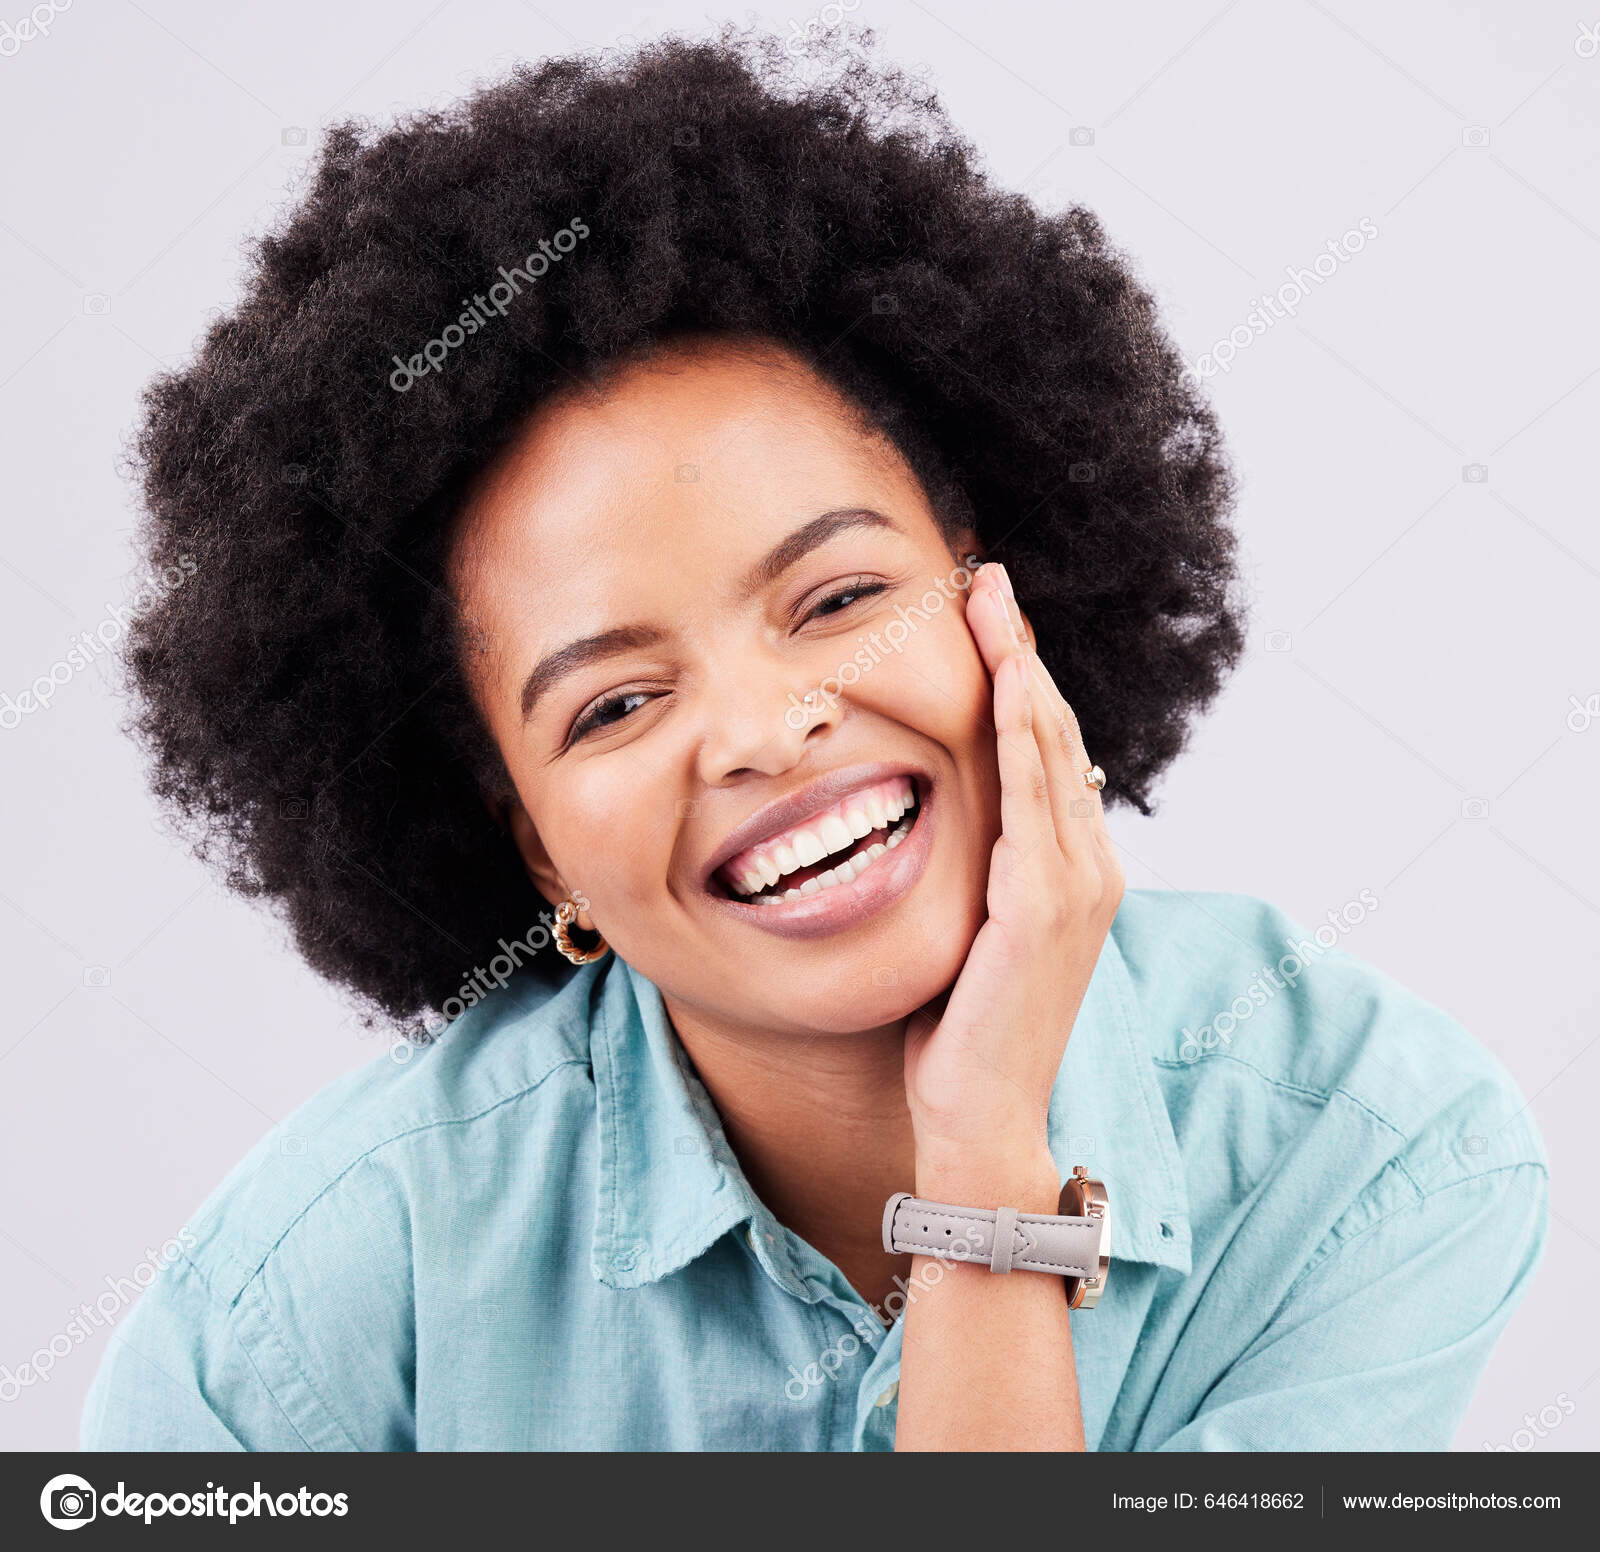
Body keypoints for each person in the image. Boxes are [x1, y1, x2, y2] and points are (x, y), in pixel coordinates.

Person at [83, 30, 1546, 1451]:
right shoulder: (302, 1319)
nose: (768, 732)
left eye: (840, 598)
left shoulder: (1365, 1151)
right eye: (615, 703)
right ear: (535, 844)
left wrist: (983, 1153)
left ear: (998, 596)